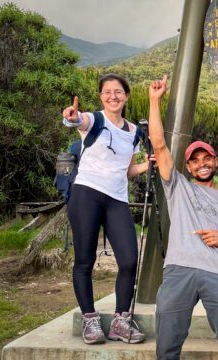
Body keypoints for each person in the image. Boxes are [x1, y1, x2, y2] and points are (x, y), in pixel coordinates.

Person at [148, 75, 218, 359]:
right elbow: (159, 145)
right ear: (188, 167)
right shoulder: (178, 187)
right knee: (167, 346)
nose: (202, 164)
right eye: (195, 160)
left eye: (206, 158)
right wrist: (154, 100)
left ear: (216, 161)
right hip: (178, 270)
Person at [62, 74, 150, 345]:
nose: (113, 96)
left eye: (118, 91)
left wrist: (148, 164)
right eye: (107, 92)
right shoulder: (94, 120)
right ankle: (90, 320)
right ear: (101, 96)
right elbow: (77, 120)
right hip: (86, 193)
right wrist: (72, 116)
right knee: (85, 261)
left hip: (116, 199)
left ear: (126, 95)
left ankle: (120, 322)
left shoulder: (134, 132)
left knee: (129, 260)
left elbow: (127, 170)